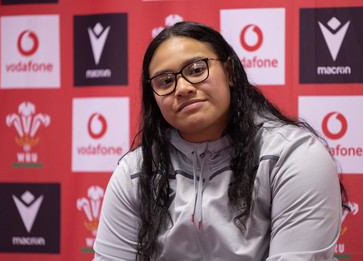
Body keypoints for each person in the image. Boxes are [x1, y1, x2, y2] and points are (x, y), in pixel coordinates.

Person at [93, 21, 347, 261]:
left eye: (196, 70)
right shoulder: (136, 172)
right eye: (166, 81)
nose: (182, 88)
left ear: (230, 73)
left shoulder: (294, 156)